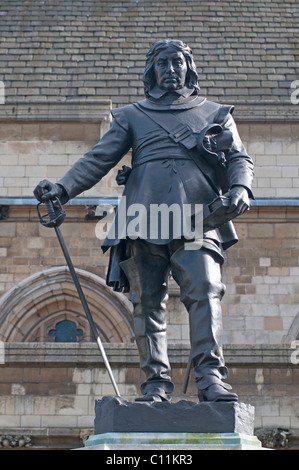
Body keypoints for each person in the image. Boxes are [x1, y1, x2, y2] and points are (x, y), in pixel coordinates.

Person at [34, 40, 254, 403]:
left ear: (189, 68)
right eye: (163, 63)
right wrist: (62, 189)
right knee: (147, 300)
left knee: (205, 290)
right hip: (143, 215)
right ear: (152, 71)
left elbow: (238, 158)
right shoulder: (132, 115)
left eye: (177, 63)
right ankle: (155, 385)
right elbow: (98, 158)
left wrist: (242, 188)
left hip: (200, 215)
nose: (170, 70)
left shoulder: (216, 113)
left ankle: (211, 378)